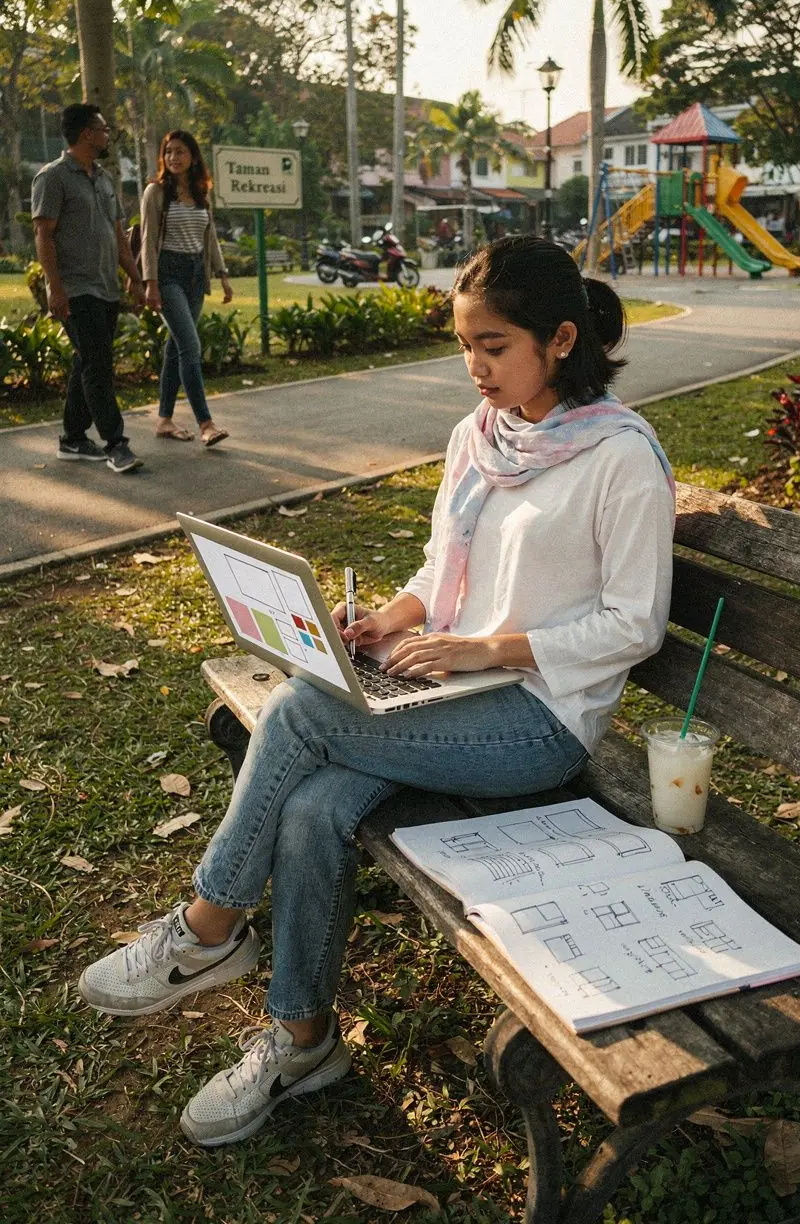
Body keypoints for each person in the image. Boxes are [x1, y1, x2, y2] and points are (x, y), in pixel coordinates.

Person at [78, 236, 675, 1148]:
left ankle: (209, 922)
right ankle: (302, 1040)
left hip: (540, 720)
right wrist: (392, 622)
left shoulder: (620, 457)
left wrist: (483, 648)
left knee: (305, 709)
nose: (475, 368)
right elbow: (442, 569)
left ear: (561, 339)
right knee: (315, 805)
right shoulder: (480, 438)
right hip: (444, 695)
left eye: (495, 347)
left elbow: (636, 626)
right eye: (466, 346)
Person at [32, 102, 146, 473]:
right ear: (86, 134)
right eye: (103, 128)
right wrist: (55, 288)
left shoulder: (104, 178)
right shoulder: (53, 177)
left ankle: (72, 438)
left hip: (106, 287)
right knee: (98, 365)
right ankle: (116, 443)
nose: (107, 133)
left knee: (88, 360)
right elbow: (43, 234)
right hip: (76, 288)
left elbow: (118, 235)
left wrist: (136, 279)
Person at [140, 131, 233, 445]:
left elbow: (210, 238)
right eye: (169, 152)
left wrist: (222, 274)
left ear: (193, 156)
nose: (173, 158)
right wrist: (150, 283)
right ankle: (206, 424)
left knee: (175, 348)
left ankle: (164, 420)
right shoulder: (155, 192)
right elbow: (148, 240)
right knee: (190, 348)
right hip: (167, 275)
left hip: (195, 275)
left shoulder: (200, 192)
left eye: (180, 152)